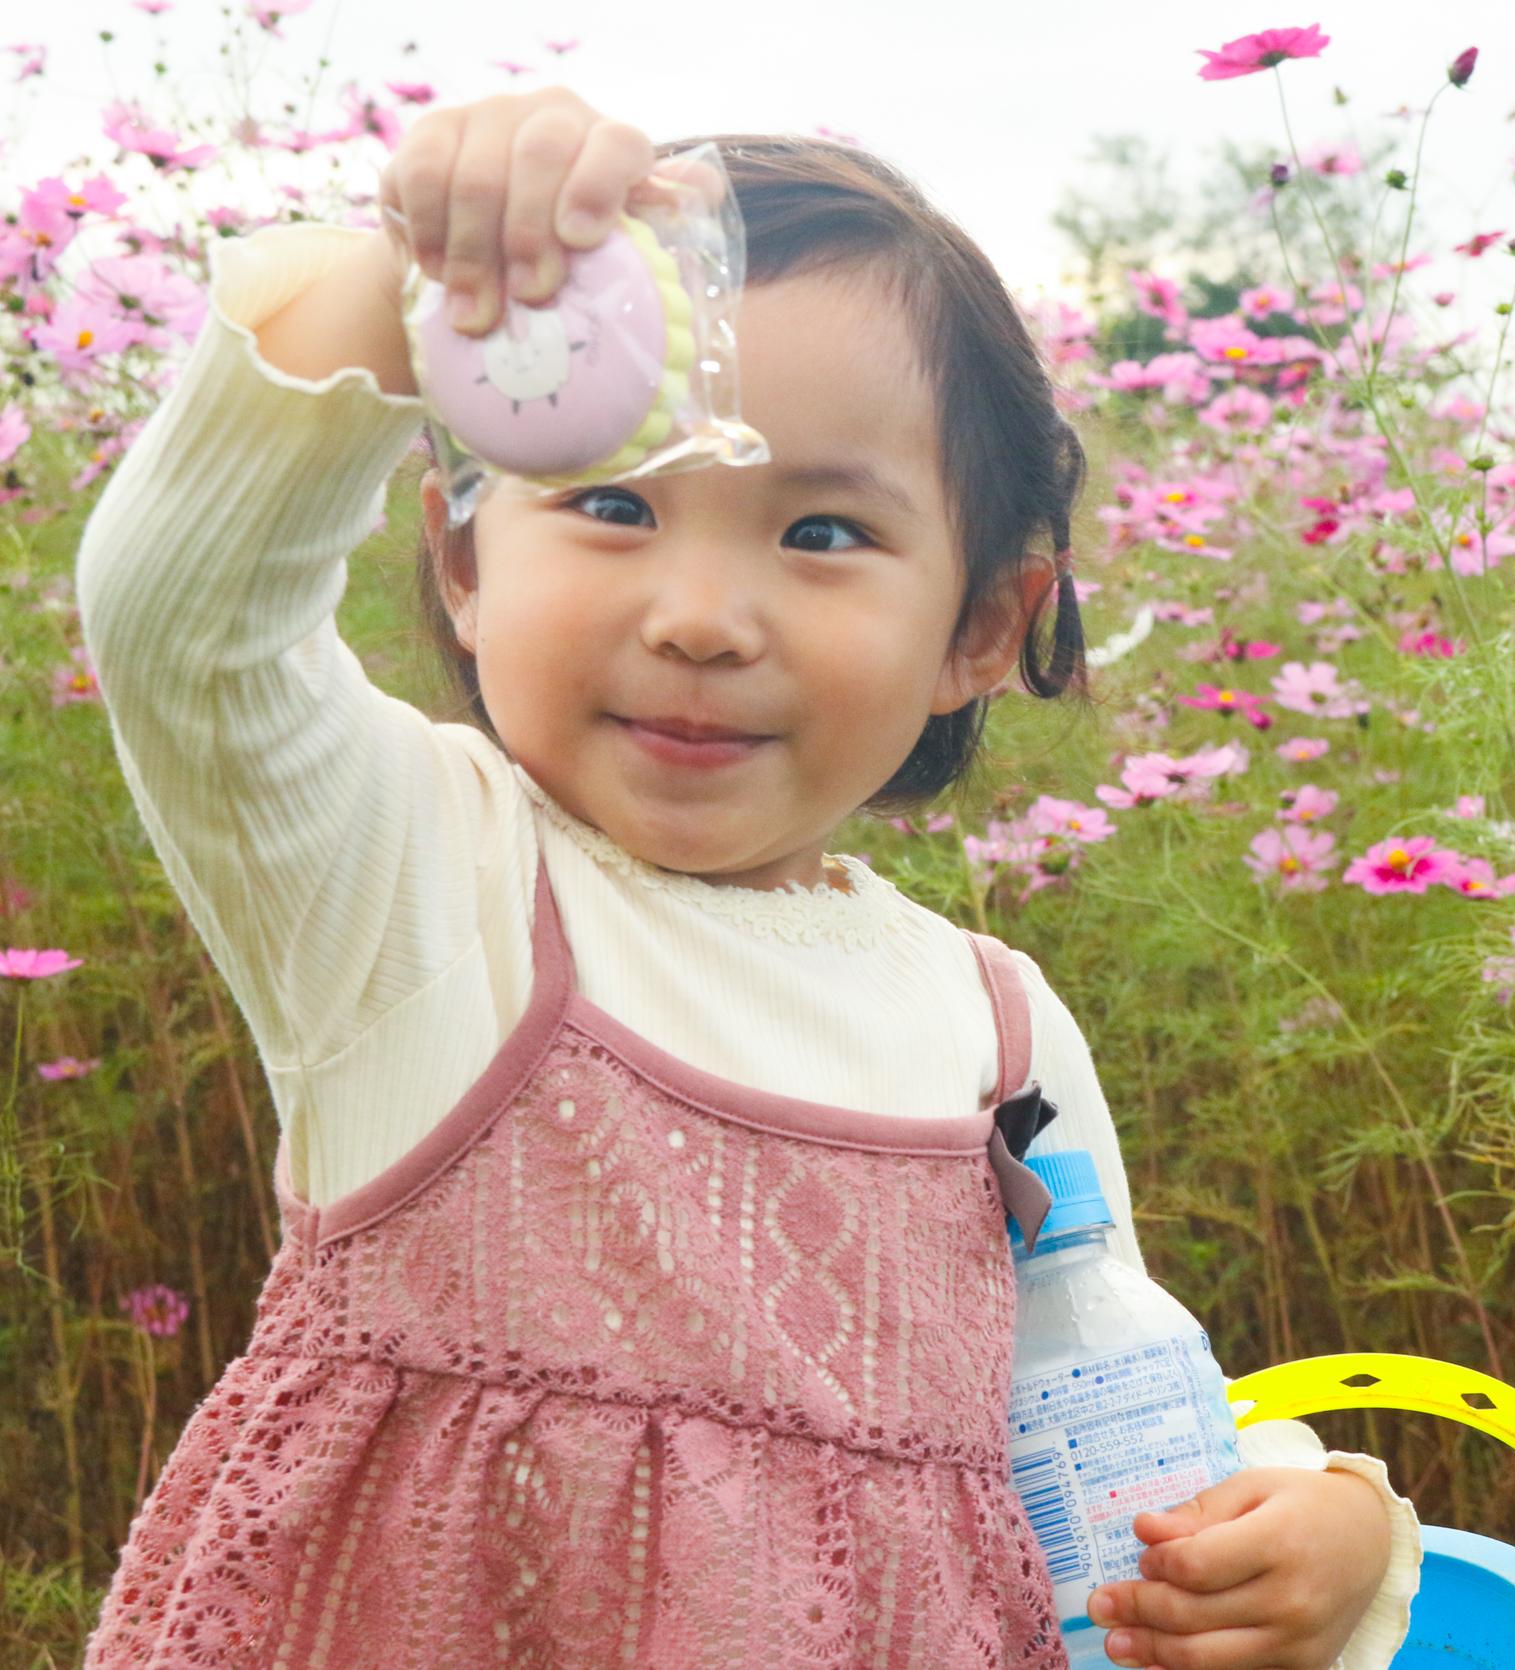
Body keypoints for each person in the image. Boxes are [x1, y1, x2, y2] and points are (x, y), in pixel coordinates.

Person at [74, 86, 1421, 1668]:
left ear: (985, 626)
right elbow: (181, 618)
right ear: (461, 557)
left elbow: (1092, 1383)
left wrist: (1324, 1529)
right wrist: (425, 283)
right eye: (614, 502)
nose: (703, 612)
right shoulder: (421, 888)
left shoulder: (996, 1027)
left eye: (826, 530)